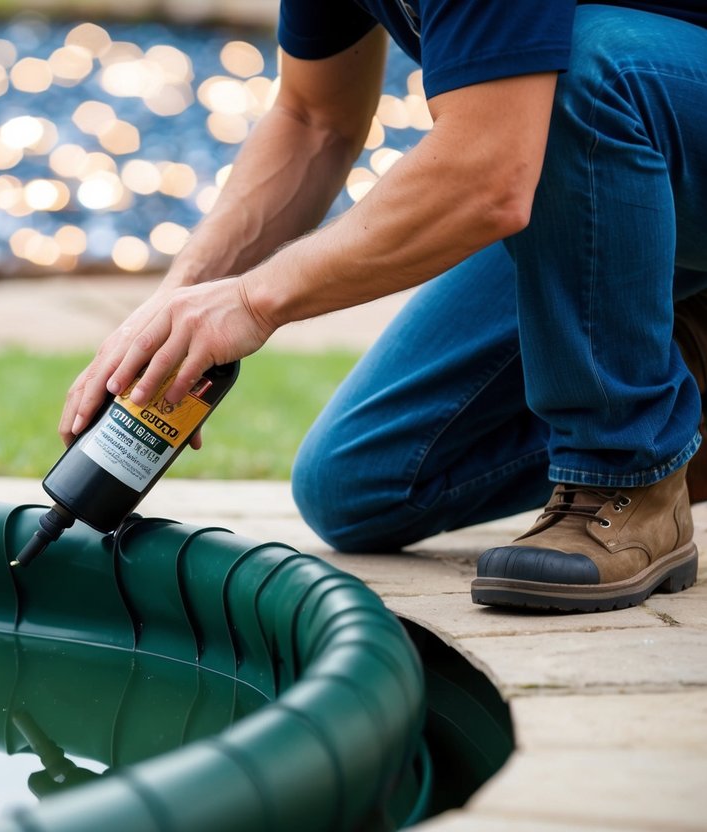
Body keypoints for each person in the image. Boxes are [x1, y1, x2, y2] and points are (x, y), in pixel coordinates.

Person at [59, 1, 707, 612]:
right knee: (360, 483)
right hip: (613, 177)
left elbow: (491, 173)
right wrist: (174, 309)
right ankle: (685, 393)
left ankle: (626, 469)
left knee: (580, 70)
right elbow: (314, 120)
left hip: (636, 123)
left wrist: (252, 300)